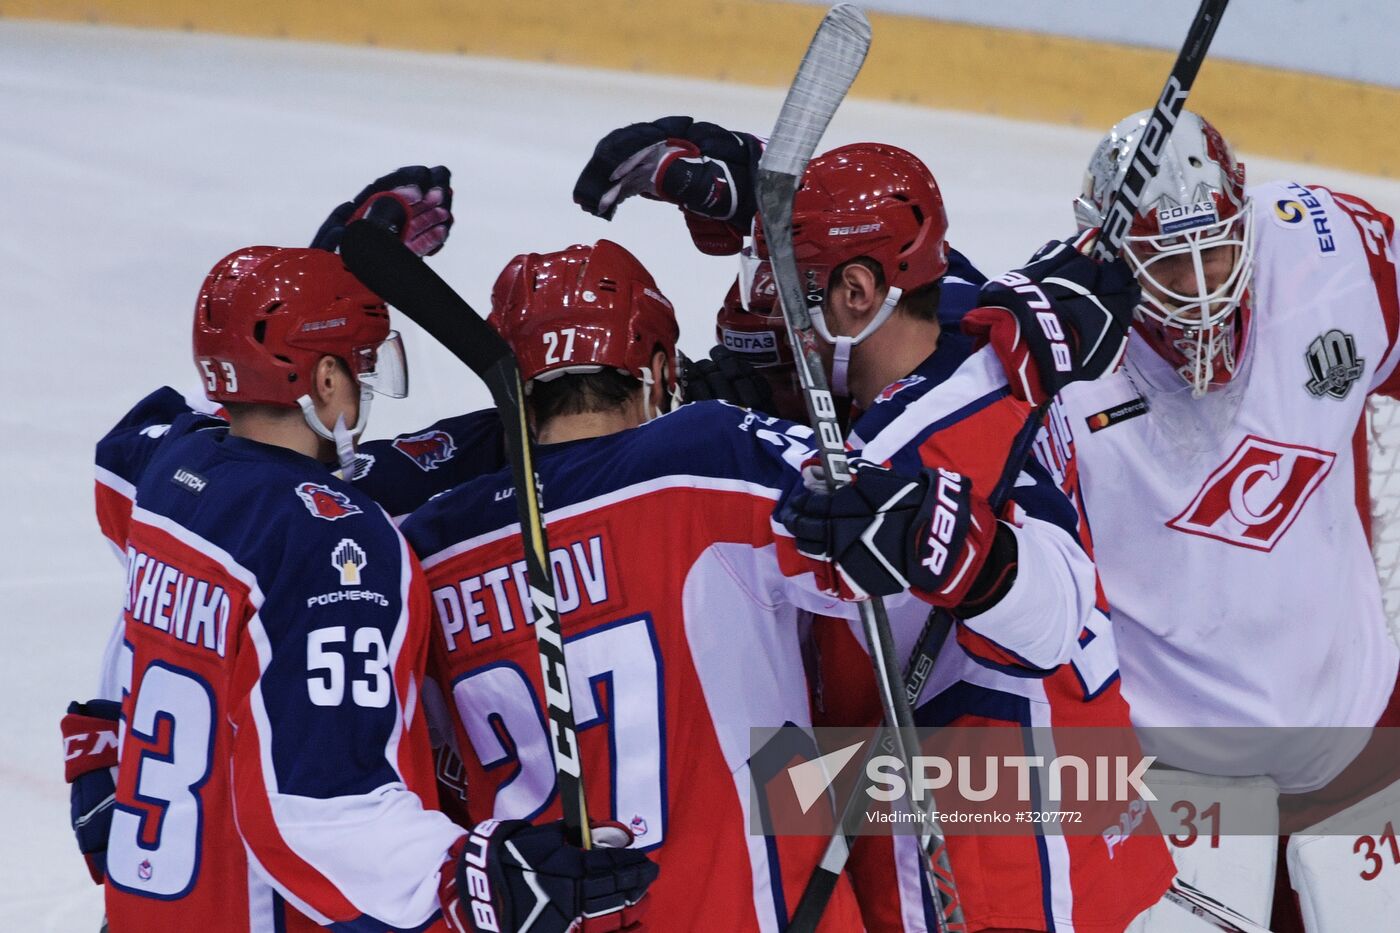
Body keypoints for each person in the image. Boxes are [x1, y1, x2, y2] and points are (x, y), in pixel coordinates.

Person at [574, 118, 1176, 932]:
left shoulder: (964, 432)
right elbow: (934, 297)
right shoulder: (963, 343)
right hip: (1009, 833)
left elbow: (1055, 611)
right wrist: (763, 199)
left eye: (785, 333)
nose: (769, 384)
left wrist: (967, 557)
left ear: (855, 297)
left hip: (1014, 861)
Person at [62, 239, 657, 932]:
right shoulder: (337, 543)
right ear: (321, 380)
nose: (365, 381)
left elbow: (136, 447)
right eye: (359, 364)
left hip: (149, 909)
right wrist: (478, 878)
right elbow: (323, 804)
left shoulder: (171, 471)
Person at [1042, 109, 1400, 932]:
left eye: (1216, 247)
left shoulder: (1328, 249)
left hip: (1355, 728)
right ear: (1105, 255)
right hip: (1172, 781)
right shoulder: (1050, 359)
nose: (1202, 284)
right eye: (1170, 260)